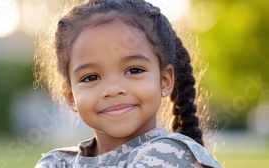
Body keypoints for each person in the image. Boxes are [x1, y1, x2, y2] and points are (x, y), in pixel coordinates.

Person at [33, 0, 221, 167]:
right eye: (91, 77)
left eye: (133, 70)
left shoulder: (169, 154)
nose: (113, 90)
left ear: (164, 81)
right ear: (71, 96)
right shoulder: (56, 162)